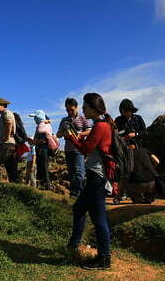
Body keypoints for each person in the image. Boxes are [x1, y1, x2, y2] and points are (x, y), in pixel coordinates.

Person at [65, 93, 114, 270]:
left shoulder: (100, 126)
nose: (83, 110)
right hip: (97, 175)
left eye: (85, 107)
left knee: (98, 217)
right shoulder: (102, 125)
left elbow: (86, 149)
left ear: (94, 108)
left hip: (97, 175)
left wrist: (72, 137)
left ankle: (103, 258)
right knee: (81, 209)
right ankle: (74, 246)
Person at [56, 98, 92, 198]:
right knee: (71, 172)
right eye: (67, 110)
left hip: (79, 149)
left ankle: (79, 193)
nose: (70, 112)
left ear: (76, 107)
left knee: (79, 171)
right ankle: (74, 193)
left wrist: (79, 134)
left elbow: (90, 131)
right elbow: (58, 134)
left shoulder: (83, 118)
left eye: (71, 109)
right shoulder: (64, 120)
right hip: (68, 149)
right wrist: (64, 133)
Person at [0, 98, 19, 182]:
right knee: (10, 167)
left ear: (2, 106)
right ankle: (15, 186)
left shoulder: (6, 113)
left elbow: (9, 123)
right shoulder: (5, 114)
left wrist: (6, 137)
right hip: (11, 144)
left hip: (6, 143)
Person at [29, 109, 53, 190]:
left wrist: (35, 140)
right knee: (41, 167)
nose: (34, 119)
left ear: (39, 117)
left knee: (44, 168)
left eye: (35, 117)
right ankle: (44, 185)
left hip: (44, 149)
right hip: (41, 149)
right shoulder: (42, 125)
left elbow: (43, 140)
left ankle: (47, 186)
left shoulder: (43, 125)